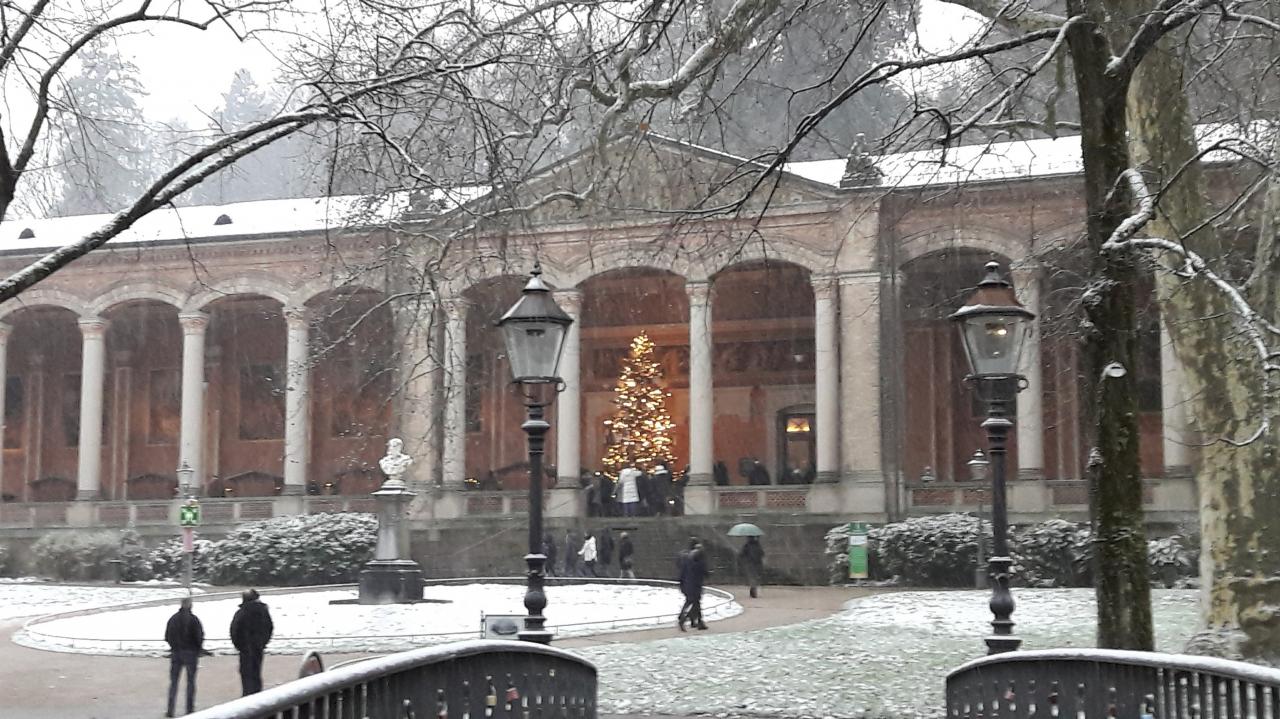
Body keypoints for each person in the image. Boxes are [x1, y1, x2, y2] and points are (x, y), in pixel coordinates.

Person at [164, 597, 205, 717]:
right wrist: (197, 649)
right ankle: (189, 708)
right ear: (190, 605)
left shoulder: (173, 619)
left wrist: (174, 647)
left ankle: (170, 709)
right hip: (191, 654)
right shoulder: (194, 619)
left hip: (176, 653)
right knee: (191, 682)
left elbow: (167, 636)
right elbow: (199, 636)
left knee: (174, 682)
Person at [230, 589, 274, 696]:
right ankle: (257, 695)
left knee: (246, 674)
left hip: (245, 649)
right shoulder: (263, 612)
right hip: (258, 647)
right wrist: (263, 643)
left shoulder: (241, 612)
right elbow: (269, 628)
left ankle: (247, 696)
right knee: (256, 672)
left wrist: (239, 646)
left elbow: (234, 630)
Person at [677, 538, 709, 631]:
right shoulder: (698, 557)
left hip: (686, 583)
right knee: (694, 603)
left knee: (693, 602)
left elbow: (682, 570)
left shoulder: (685, 557)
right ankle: (684, 619)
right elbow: (703, 570)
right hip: (695, 584)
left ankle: (697, 622)